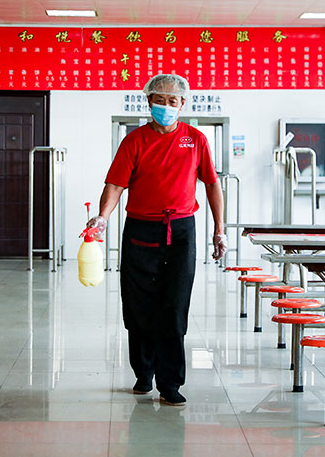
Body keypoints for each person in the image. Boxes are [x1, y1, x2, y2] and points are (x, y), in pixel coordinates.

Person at [86, 73, 227, 406]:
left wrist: (219, 229)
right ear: (149, 102)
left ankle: (170, 382)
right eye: (159, 100)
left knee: (174, 306)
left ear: (182, 104)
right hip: (140, 230)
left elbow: (211, 184)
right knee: (139, 306)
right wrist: (102, 217)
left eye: (172, 101)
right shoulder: (134, 141)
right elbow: (116, 184)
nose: (166, 106)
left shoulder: (195, 139)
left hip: (181, 231)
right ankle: (143, 372)